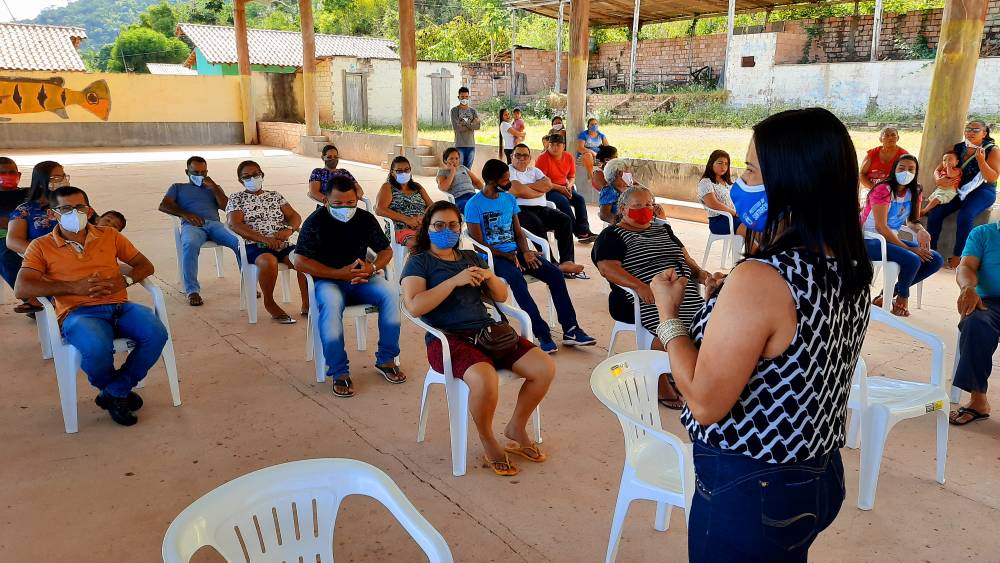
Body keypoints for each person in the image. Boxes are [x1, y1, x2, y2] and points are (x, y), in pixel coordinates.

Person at [648, 108, 873, 561]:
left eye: (751, 169)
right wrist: (725, 303)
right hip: (816, 472)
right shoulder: (848, 264)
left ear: (792, 183)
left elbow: (706, 403)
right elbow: (793, 351)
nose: (741, 180)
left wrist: (669, 317)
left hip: (753, 483)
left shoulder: (763, 279)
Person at [401, 200, 556, 476]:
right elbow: (414, 306)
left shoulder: (471, 257)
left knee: (544, 368)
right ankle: (488, 439)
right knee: (485, 380)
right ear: (428, 228)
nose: (446, 230)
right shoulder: (419, 261)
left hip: (489, 331)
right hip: (448, 340)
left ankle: (516, 427)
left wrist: (488, 276)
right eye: (439, 225)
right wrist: (453, 281)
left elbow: (500, 296)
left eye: (452, 225)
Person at [14, 186, 167, 427]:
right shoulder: (41, 246)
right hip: (78, 312)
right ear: (53, 214)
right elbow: (22, 288)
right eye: (65, 208)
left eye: (79, 207)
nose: (74, 213)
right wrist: (74, 288)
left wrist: (123, 280)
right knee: (96, 346)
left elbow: (144, 265)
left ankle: (115, 391)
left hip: (119, 305)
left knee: (156, 333)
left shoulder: (110, 235)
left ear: (90, 209)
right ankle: (118, 392)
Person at [593, 186, 723, 409]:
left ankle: (689, 372)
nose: (646, 210)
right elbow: (607, 268)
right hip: (642, 296)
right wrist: (641, 286)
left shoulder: (663, 229)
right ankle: (658, 381)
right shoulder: (612, 235)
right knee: (671, 324)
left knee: (710, 322)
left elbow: (685, 259)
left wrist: (703, 276)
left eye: (649, 205)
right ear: (623, 209)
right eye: (638, 206)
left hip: (683, 290)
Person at [464, 159, 596, 353]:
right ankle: (541, 333)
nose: (509, 183)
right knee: (517, 279)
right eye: (505, 180)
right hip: (495, 258)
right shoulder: (474, 205)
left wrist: (525, 251)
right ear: (492, 182)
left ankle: (571, 329)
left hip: (516, 252)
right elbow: (480, 246)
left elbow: (519, 233)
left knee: (555, 275)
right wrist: (506, 255)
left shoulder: (508, 199)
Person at [290, 175, 403, 398]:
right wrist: (337, 274)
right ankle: (339, 371)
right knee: (330, 307)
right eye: (338, 203)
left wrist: (371, 269)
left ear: (356, 200)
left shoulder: (364, 219)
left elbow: (385, 250)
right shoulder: (315, 222)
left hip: (362, 279)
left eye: (350, 203)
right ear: (326, 201)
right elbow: (300, 261)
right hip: (328, 281)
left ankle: (387, 359)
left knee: (391, 294)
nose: (345, 208)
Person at [226, 160, 308, 323]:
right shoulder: (237, 198)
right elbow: (234, 224)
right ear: (240, 180)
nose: (252, 179)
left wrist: (288, 230)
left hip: (282, 242)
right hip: (255, 245)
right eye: (246, 176)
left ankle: (307, 303)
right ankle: (269, 302)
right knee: (268, 261)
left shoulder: (275, 196)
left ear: (262, 175)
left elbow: (294, 216)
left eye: (256, 174)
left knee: (305, 258)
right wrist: (264, 239)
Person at [860, 155, 943, 316]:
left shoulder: (915, 190)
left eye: (911, 169)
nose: (906, 172)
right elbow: (881, 227)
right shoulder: (883, 190)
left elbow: (912, 220)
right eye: (901, 168)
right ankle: (903, 297)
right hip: (869, 239)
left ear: (916, 171)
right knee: (911, 258)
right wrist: (909, 249)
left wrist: (921, 230)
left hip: (891, 240)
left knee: (935, 259)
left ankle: (887, 294)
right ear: (894, 170)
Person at [158, 156, 241, 307]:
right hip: (192, 226)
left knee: (239, 242)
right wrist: (185, 214)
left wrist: (215, 188)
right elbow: (164, 205)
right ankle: (192, 291)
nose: (200, 176)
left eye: (203, 172)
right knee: (189, 244)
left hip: (215, 225)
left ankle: (247, 283)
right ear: (187, 172)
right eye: (195, 172)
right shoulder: (178, 187)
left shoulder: (213, 187)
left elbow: (228, 207)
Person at [927, 119, 999, 268]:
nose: (971, 132)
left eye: (976, 130)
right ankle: (930, 251)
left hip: (983, 190)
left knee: (966, 215)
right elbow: (938, 168)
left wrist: (981, 161)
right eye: (968, 129)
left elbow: (992, 177)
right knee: (935, 213)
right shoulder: (959, 147)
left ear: (984, 133)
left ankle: (958, 256)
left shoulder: (992, 150)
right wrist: (938, 180)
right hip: (959, 189)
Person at [506, 144, 587, 277]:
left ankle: (567, 261)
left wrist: (525, 189)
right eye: (517, 155)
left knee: (565, 219)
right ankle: (553, 264)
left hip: (541, 208)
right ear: (511, 157)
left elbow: (548, 185)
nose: (521, 158)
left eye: (525, 155)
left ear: (529, 158)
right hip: (519, 211)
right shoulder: (508, 172)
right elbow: (516, 190)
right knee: (536, 224)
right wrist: (537, 190)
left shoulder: (534, 171)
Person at [949, 220, 1000, 426]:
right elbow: (966, 266)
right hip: (989, 302)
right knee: (975, 323)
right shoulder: (983, 233)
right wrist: (967, 287)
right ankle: (978, 400)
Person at [5, 160, 66, 314]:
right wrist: (45, 254)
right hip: (46, 261)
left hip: (78, 256)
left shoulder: (73, 203)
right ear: (41, 182)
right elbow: (13, 240)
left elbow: (97, 225)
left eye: (63, 176)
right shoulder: (26, 210)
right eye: (56, 178)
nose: (62, 181)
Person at [535, 135, 597, 243]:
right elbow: (542, 182)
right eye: (551, 145)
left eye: (558, 145)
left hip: (565, 187)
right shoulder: (543, 158)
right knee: (563, 201)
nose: (554, 147)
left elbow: (572, 176)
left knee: (580, 199)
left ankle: (584, 229)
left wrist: (569, 185)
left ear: (563, 146)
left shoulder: (568, 157)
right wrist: (560, 188)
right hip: (549, 190)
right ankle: (578, 232)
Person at [375, 156, 433, 249]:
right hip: (400, 229)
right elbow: (380, 209)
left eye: (406, 170)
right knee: (420, 245)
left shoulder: (417, 186)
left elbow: (432, 206)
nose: (404, 173)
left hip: (423, 226)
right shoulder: (388, 187)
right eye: (399, 171)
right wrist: (407, 220)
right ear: (392, 173)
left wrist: (423, 218)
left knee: (443, 240)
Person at [597, 157, 666, 225]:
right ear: (620, 173)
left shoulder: (630, 187)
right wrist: (620, 221)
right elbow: (604, 214)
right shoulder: (609, 190)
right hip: (624, 225)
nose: (630, 174)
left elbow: (649, 196)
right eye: (628, 172)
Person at [698, 149, 747, 237]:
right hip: (719, 221)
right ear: (711, 163)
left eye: (726, 163)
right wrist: (735, 213)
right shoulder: (705, 182)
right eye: (720, 163)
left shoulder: (726, 182)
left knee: (758, 224)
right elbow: (713, 204)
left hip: (733, 217)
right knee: (751, 230)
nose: (723, 166)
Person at [0, 157, 27, 295]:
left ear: (19, 175)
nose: (8, 176)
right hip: (4, 238)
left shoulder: (27, 194)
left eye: (12, 172)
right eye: (2, 173)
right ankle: (30, 298)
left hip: (28, 234)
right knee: (6, 257)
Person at [859, 126, 908, 190]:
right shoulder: (872, 153)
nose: (890, 137)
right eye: (886, 135)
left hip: (894, 189)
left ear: (897, 138)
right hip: (871, 188)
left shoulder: (904, 155)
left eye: (893, 135)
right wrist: (873, 188)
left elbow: (907, 176)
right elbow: (862, 174)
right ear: (880, 139)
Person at [436, 147, 483, 213]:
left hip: (473, 195)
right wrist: (452, 172)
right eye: (451, 158)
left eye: (457, 158)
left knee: (487, 204)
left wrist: (485, 192)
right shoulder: (442, 172)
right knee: (471, 209)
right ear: (445, 160)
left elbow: (477, 182)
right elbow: (443, 188)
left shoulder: (463, 168)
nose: (454, 161)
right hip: (459, 198)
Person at [922, 150, 961, 217]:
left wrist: (948, 167)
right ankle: (928, 211)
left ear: (957, 162)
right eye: (944, 160)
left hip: (949, 191)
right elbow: (938, 177)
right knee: (930, 199)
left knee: (936, 199)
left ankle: (924, 211)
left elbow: (950, 175)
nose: (947, 162)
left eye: (950, 160)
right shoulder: (942, 170)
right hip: (939, 190)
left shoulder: (957, 170)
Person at [450, 87, 480, 169]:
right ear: (458, 97)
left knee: (468, 170)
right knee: (459, 169)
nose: (464, 99)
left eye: (466, 97)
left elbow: (477, 126)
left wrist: (464, 123)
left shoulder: (473, 111)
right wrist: (471, 123)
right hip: (459, 145)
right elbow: (457, 128)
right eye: (462, 97)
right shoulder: (454, 111)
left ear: (469, 97)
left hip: (471, 145)